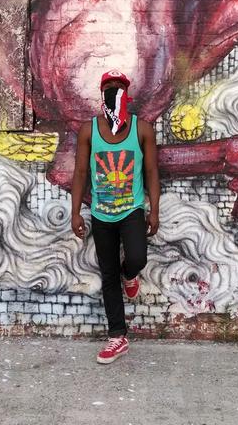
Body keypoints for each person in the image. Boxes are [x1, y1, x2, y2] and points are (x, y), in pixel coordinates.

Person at [70, 69, 161, 364]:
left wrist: (154, 209)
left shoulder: (141, 129)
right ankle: (117, 336)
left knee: (137, 258)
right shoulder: (89, 131)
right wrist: (75, 212)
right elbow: (80, 172)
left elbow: (152, 171)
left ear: (126, 93)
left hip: (131, 210)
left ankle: (130, 274)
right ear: (102, 92)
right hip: (101, 214)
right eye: (108, 85)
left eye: (118, 85)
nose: (113, 89)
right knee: (108, 275)